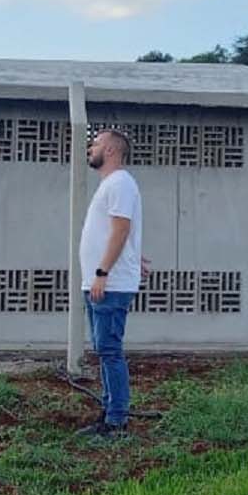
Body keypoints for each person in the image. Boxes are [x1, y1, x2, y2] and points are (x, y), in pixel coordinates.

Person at [77, 128, 143, 437]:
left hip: (110, 284)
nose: (90, 148)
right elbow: (115, 232)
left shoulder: (120, 183)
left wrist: (103, 273)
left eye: (96, 144)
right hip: (103, 281)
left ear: (112, 151)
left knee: (110, 351)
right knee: (104, 350)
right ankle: (109, 412)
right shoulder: (111, 184)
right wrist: (134, 258)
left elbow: (121, 229)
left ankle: (117, 421)